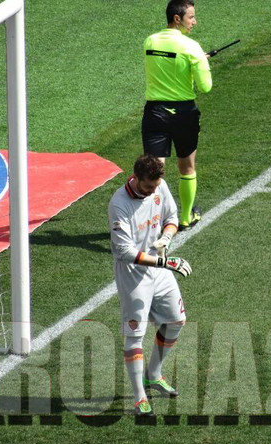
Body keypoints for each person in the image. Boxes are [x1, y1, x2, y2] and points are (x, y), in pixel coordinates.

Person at [108, 155, 192, 416]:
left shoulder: (159, 186)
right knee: (135, 334)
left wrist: (166, 238)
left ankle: (153, 375)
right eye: (148, 187)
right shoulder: (118, 204)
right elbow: (124, 251)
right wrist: (163, 262)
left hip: (159, 268)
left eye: (156, 186)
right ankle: (139, 398)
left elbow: (172, 217)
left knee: (176, 321)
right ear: (136, 178)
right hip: (134, 275)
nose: (153, 191)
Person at [141, 0, 212, 231]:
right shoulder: (191, 47)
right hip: (183, 114)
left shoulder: (149, 41)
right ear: (177, 18)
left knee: (153, 170)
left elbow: (165, 65)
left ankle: (149, 222)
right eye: (191, 17)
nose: (195, 22)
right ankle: (184, 217)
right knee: (187, 167)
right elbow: (205, 86)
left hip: (155, 112)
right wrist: (201, 62)